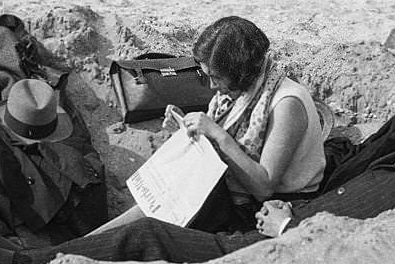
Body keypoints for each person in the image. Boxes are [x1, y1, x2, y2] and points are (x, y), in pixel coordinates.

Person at [0, 77, 395, 264]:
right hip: (284, 223)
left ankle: (11, 262)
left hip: (274, 246)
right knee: (168, 207)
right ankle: (45, 252)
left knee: (146, 236)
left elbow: (380, 248)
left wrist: (291, 229)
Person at [89, 16, 327, 236]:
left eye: (217, 78)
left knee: (155, 223)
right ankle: (87, 243)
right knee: (158, 203)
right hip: (236, 192)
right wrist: (185, 130)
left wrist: (217, 135)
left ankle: (87, 246)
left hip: (274, 205)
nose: (212, 86)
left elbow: (264, 187)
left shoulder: (286, 103)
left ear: (240, 74)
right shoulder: (247, 89)